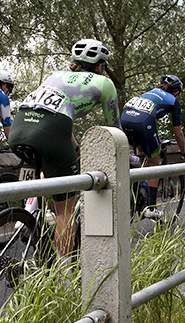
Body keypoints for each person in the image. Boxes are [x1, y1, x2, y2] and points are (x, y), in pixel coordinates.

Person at [9, 38, 120, 257]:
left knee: (49, 168)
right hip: (52, 131)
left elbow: (53, 112)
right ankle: (61, 276)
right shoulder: (104, 83)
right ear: (100, 65)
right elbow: (115, 129)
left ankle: (28, 213)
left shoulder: (55, 75)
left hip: (19, 126)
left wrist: (76, 148)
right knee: (66, 211)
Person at [120, 74, 185, 219]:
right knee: (154, 163)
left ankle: (135, 197)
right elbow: (178, 134)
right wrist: (184, 151)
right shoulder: (173, 101)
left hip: (124, 119)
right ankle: (150, 208)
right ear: (176, 92)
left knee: (141, 157)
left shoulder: (150, 93)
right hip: (143, 122)